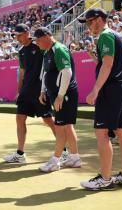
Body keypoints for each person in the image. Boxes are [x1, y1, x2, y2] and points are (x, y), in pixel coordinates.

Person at [79, 8, 122, 190]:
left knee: (102, 132)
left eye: (90, 21)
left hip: (110, 89)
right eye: (87, 22)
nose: (89, 26)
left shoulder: (105, 36)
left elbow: (109, 65)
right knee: (121, 131)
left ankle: (105, 179)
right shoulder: (111, 36)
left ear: (100, 20)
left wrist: (95, 90)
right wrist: (96, 58)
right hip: (118, 88)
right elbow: (109, 64)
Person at [3, 24, 57, 164]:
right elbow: (22, 73)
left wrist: (46, 89)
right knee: (20, 118)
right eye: (16, 35)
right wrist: (19, 92)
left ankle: (63, 151)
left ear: (27, 33)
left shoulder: (39, 45)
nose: (17, 38)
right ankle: (20, 154)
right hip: (26, 91)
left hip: (40, 90)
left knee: (48, 119)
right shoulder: (21, 51)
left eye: (20, 35)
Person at [34, 27, 82, 173]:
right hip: (57, 94)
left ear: (47, 37)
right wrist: (43, 91)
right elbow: (46, 72)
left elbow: (67, 72)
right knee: (67, 126)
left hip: (65, 94)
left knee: (60, 127)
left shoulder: (59, 49)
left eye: (38, 40)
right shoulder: (47, 52)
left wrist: (60, 96)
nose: (37, 43)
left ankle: (55, 160)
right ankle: (75, 158)